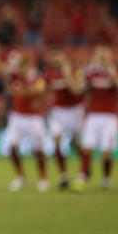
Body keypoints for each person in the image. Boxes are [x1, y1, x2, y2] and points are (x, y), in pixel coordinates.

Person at [0, 44, 48, 192]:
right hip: (17, 116)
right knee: (12, 147)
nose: (20, 70)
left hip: (34, 118)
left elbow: (40, 89)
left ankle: (42, 177)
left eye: (23, 67)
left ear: (28, 66)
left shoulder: (36, 77)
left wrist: (20, 91)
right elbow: (0, 69)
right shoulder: (15, 76)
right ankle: (21, 177)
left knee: (38, 149)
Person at [70, 45, 118, 192]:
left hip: (110, 117)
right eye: (99, 55)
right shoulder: (91, 73)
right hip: (94, 115)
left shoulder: (115, 72)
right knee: (88, 147)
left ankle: (106, 178)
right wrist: (76, 76)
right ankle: (82, 176)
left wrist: (110, 72)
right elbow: (78, 89)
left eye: (104, 56)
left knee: (106, 151)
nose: (101, 58)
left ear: (110, 57)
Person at [43, 47, 84, 189]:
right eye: (52, 57)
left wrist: (67, 75)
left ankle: (84, 166)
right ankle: (64, 176)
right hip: (58, 111)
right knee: (56, 142)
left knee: (75, 143)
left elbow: (77, 90)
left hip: (75, 110)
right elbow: (46, 89)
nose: (55, 60)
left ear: (64, 57)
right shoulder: (49, 74)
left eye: (57, 56)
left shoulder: (75, 71)